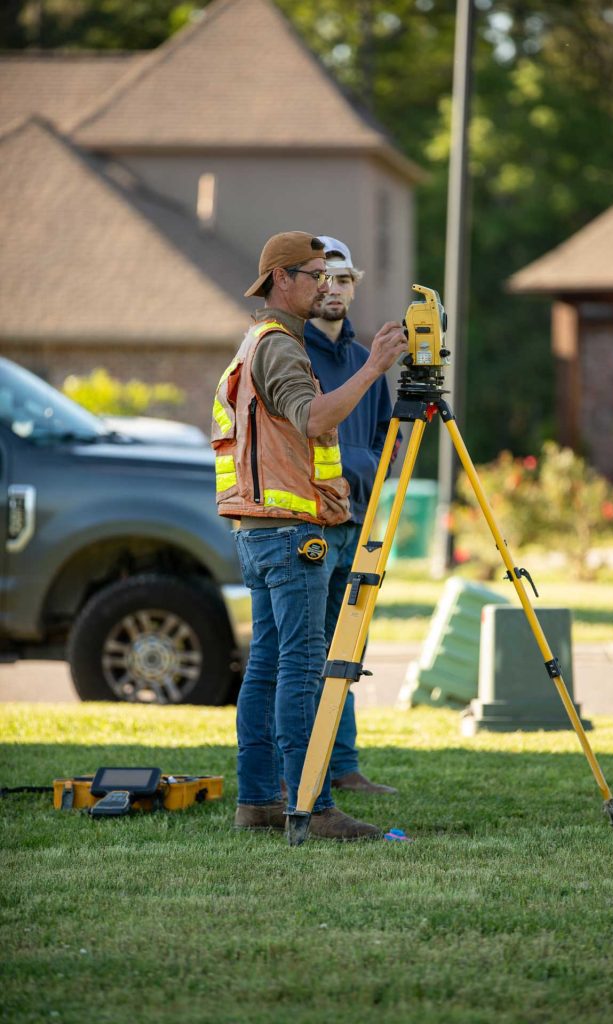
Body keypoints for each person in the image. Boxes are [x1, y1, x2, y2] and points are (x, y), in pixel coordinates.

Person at [211, 231, 408, 841]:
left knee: (268, 664)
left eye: (331, 275)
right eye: (315, 274)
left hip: (264, 528)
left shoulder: (261, 343)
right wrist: (376, 367)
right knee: (300, 668)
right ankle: (313, 808)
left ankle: (261, 803)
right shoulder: (278, 348)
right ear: (279, 279)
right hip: (293, 531)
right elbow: (316, 418)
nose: (326, 285)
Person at [303, 235, 400, 795]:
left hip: (358, 524)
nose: (332, 289)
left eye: (342, 280)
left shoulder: (369, 362)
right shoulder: (293, 353)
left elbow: (384, 435)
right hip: (311, 523)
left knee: (346, 651)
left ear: (353, 287)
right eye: (322, 279)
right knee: (308, 654)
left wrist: (369, 475)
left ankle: (343, 766)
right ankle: (306, 767)